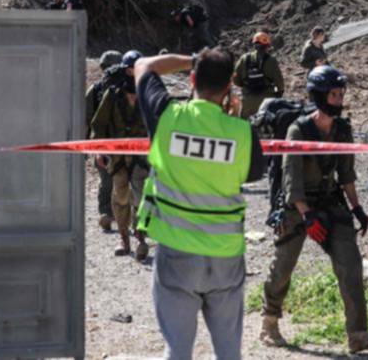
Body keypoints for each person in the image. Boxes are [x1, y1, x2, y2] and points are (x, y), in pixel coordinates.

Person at [133, 48, 265, 360]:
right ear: (229, 87)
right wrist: (231, 116)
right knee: (229, 352)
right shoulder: (243, 133)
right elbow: (252, 172)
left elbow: (143, 65)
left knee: (177, 350)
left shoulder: (167, 116)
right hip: (225, 257)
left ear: (192, 79)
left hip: (177, 255)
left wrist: (192, 60)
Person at [261, 66, 368, 354]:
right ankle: (269, 322)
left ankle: (357, 334)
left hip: (330, 203)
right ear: (319, 96)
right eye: (334, 94)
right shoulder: (298, 130)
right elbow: (291, 180)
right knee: (283, 266)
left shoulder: (342, 130)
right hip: (298, 206)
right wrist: (307, 216)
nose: (339, 100)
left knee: (350, 264)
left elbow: (347, 173)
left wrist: (357, 208)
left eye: (341, 94)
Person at [90, 50, 150, 261]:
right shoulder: (113, 94)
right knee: (120, 196)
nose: (134, 73)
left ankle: (140, 237)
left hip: (141, 158)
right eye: (131, 69)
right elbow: (99, 124)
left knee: (140, 197)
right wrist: (99, 150)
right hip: (117, 157)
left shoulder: (149, 95)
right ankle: (124, 239)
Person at [86, 49, 126, 232]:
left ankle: (107, 214)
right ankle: (118, 216)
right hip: (122, 143)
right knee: (123, 180)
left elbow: (86, 120)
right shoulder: (126, 88)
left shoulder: (95, 90)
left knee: (108, 181)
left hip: (104, 143)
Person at [233, 32, 284, 119]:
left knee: (245, 125)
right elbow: (279, 82)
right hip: (266, 102)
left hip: (247, 100)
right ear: (267, 46)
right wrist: (279, 93)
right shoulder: (271, 61)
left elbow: (235, 79)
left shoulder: (244, 58)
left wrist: (245, 86)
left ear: (254, 45)